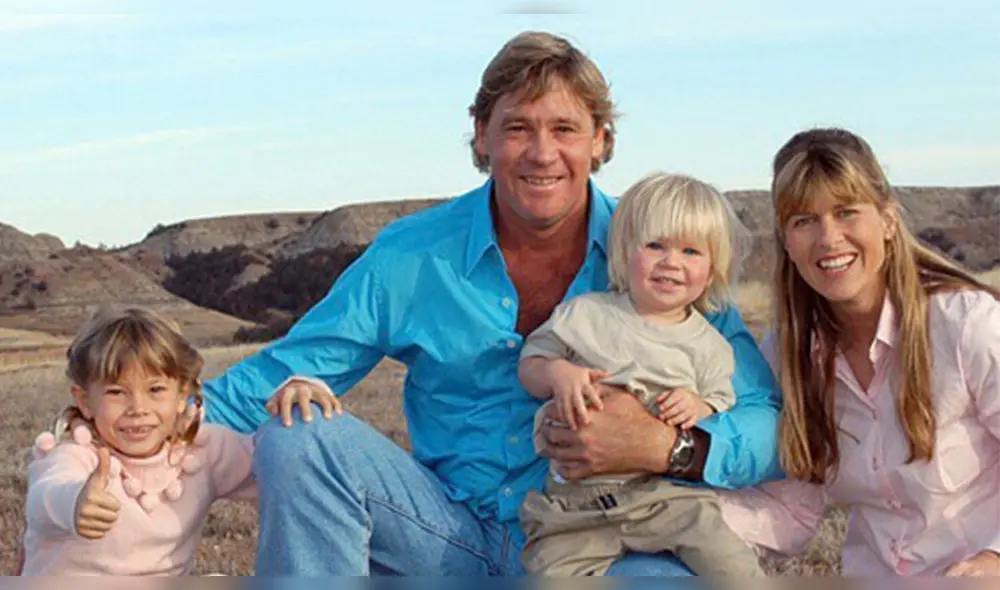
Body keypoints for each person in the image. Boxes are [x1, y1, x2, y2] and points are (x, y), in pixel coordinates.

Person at [203, 31, 782, 576]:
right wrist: (131, 425)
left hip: (613, 533)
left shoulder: (663, 253)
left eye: (565, 128)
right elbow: (274, 377)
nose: (541, 153)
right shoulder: (412, 256)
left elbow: (766, 422)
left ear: (600, 139)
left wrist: (669, 446)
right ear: (481, 135)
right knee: (297, 434)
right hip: (444, 536)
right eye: (517, 128)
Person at [719, 127, 1000, 576]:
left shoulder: (966, 323)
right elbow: (792, 510)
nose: (829, 238)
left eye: (846, 212)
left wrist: (993, 559)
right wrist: (672, 513)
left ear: (888, 220)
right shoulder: (786, 356)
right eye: (804, 220)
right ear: (787, 242)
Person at [516, 172, 763, 577]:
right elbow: (531, 363)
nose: (672, 262)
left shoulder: (710, 344)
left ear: (713, 267)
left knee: (734, 564)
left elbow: (721, 401)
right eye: (655, 246)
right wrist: (558, 374)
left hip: (665, 497)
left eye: (691, 251)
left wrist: (697, 406)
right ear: (625, 250)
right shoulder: (587, 313)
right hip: (574, 507)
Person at [21, 307, 258, 576]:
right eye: (116, 392)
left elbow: (280, 464)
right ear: (85, 401)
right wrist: (73, 503)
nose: (137, 408)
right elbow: (46, 494)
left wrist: (303, 395)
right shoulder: (77, 454)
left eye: (155, 389)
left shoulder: (203, 450)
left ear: (182, 394)